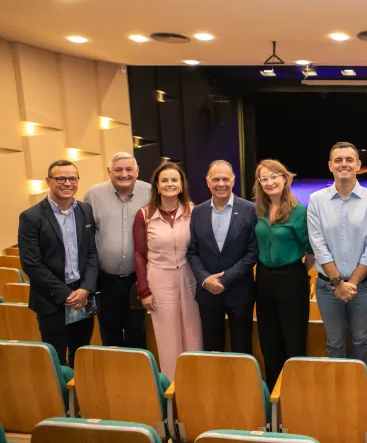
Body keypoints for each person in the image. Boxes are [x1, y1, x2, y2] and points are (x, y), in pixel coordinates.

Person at [307, 142, 367, 362]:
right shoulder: (316, 200)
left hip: (364, 286)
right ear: (330, 165)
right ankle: (337, 394)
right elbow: (318, 245)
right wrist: (337, 284)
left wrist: (350, 284)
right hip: (327, 286)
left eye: (349, 160)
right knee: (334, 342)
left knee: (360, 340)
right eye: (338, 160)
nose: (344, 164)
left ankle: (358, 393)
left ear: (358, 165)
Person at [17, 160, 98, 367]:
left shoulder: (85, 211)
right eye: (60, 178)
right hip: (51, 300)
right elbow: (31, 264)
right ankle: (61, 399)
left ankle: (79, 397)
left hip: (82, 296)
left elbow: (91, 253)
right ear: (48, 181)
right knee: (56, 360)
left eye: (72, 178)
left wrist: (86, 289)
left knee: (82, 354)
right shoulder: (31, 217)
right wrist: (65, 295)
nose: (67, 183)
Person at [133, 162, 202, 380]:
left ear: (182, 186)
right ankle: (174, 386)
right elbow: (139, 254)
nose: (170, 184)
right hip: (159, 279)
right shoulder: (143, 215)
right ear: (157, 186)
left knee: (193, 333)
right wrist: (144, 291)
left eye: (174, 180)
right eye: (164, 180)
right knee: (168, 337)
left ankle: (196, 380)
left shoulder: (194, 211)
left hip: (189, 277)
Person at [253, 159, 315, 390]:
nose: (269, 182)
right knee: (269, 341)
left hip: (292, 278)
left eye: (274, 176)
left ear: (285, 178)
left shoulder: (299, 212)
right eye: (264, 178)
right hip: (264, 279)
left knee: (294, 340)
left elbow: (311, 249)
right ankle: (273, 395)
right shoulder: (257, 209)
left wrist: (298, 272)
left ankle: (295, 393)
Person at [187, 160, 258, 353]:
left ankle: (242, 383)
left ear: (233, 181)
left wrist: (225, 279)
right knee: (211, 348)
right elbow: (192, 251)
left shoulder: (249, 210)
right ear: (207, 182)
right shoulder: (197, 212)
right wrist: (205, 279)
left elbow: (252, 253)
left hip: (239, 292)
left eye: (225, 179)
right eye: (216, 179)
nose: (221, 184)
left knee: (242, 348)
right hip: (207, 293)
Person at [83, 152, 151, 348]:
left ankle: (138, 374)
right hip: (104, 279)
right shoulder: (93, 195)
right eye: (118, 169)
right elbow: (86, 235)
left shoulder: (150, 192)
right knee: (108, 331)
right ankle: (113, 375)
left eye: (129, 169)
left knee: (137, 332)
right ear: (109, 172)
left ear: (137, 172)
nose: (124, 174)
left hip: (137, 279)